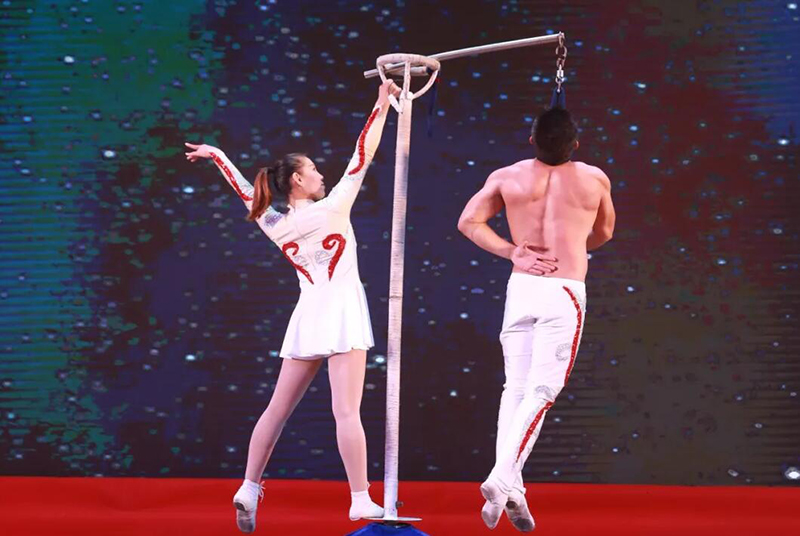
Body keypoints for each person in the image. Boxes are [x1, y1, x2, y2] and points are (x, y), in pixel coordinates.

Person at [185, 80, 400, 533]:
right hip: (341, 315)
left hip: (308, 317)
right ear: (298, 180)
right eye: (314, 170)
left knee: (276, 410)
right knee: (347, 412)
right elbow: (362, 155)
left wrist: (217, 154)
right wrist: (381, 106)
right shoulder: (334, 207)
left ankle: (249, 486)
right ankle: (359, 498)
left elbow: (246, 191)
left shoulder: (274, 223)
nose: (322, 175)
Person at [457, 106, 616, 532]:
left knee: (517, 388)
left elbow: (469, 222)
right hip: (563, 292)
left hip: (522, 288)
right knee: (542, 390)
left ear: (531, 140)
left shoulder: (507, 176)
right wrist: (573, 242)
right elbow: (604, 233)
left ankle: (514, 488)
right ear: (576, 144)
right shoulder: (594, 179)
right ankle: (501, 478)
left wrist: (514, 251)